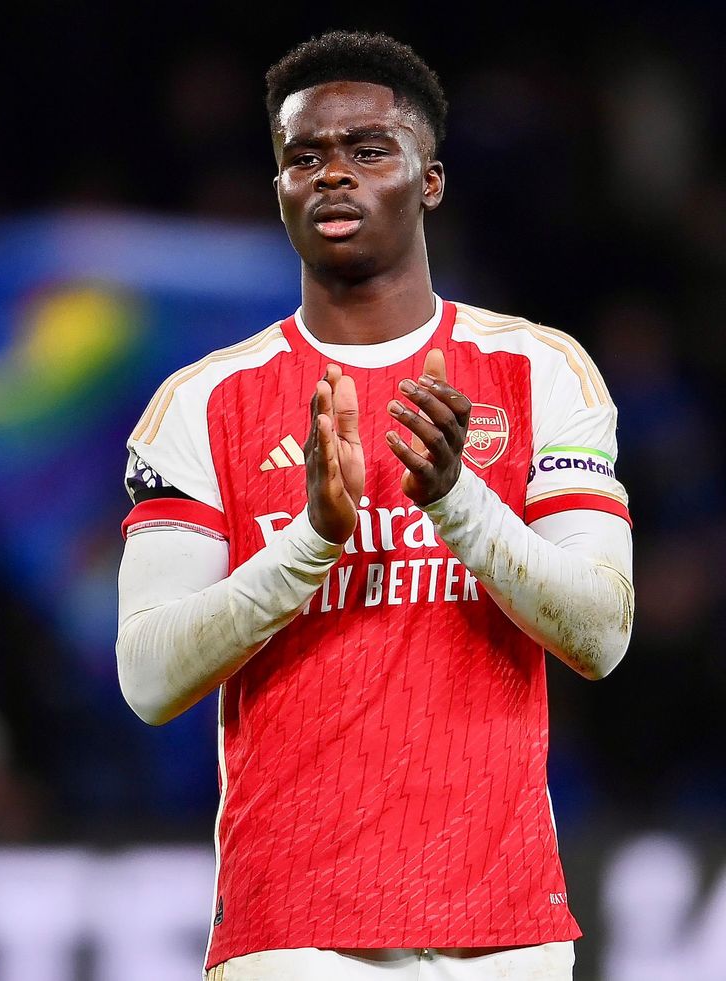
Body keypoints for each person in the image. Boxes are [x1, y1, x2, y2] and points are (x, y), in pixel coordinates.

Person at [116, 30, 634, 981]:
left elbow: (601, 633)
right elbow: (148, 679)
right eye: (302, 157)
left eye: (366, 150)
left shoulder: (540, 371)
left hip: (505, 931)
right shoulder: (201, 402)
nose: (332, 176)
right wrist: (311, 540)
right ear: (277, 189)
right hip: (293, 932)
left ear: (430, 180)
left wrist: (456, 500)